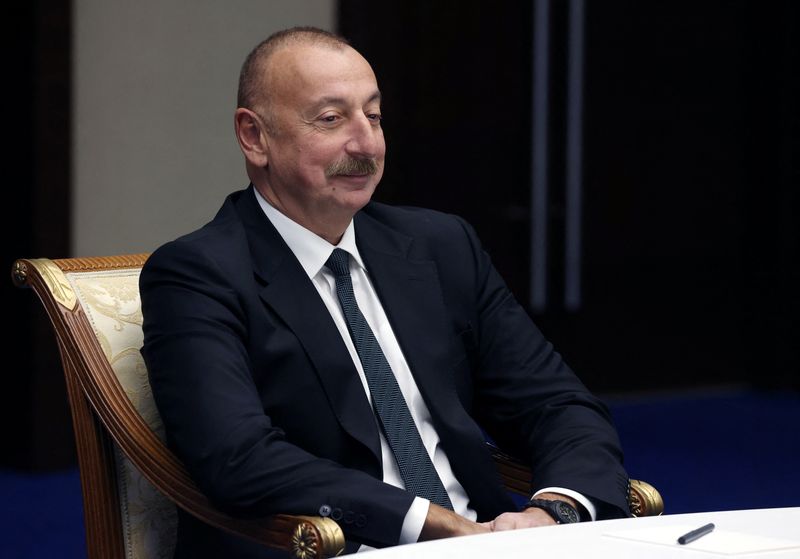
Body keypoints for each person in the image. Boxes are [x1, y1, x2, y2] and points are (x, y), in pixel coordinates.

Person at [140, 27, 630, 558]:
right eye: (331, 119)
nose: (367, 144)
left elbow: (557, 404)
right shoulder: (198, 274)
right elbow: (238, 458)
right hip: (333, 546)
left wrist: (552, 510)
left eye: (372, 116)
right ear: (255, 136)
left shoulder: (440, 246)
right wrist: (434, 525)